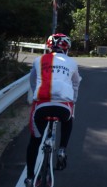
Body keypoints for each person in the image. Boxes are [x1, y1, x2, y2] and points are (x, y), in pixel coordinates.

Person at [24, 33, 81, 187]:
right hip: (63, 107)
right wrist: (73, 100)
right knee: (69, 118)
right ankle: (62, 149)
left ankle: (29, 177)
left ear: (49, 46)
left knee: (34, 141)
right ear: (67, 48)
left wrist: (37, 95)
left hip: (41, 106)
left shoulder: (38, 60)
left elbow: (32, 80)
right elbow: (76, 84)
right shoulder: (72, 62)